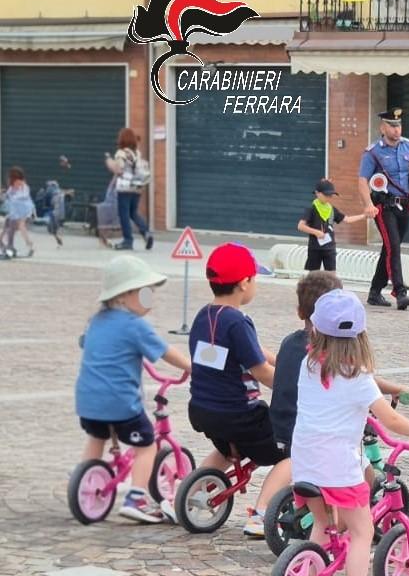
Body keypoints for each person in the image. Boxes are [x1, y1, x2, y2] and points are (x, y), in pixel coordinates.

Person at [291, 288, 409, 576]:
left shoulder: (308, 364)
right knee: (361, 531)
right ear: (360, 337)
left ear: (314, 330)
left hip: (304, 460)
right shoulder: (357, 377)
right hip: (336, 464)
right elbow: (389, 419)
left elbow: (331, 406)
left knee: (323, 522)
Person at [269, 270, 409, 489]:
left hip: (280, 427)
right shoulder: (332, 357)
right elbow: (361, 382)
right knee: (360, 474)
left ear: (300, 312)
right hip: (314, 440)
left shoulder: (293, 345)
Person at [184, 242, 289, 537]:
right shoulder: (238, 322)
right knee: (292, 451)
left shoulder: (205, 316)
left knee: (225, 448)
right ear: (244, 283)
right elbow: (260, 370)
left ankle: (190, 492)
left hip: (204, 410)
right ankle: (261, 514)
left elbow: (248, 352)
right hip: (240, 414)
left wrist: (282, 361)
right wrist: (290, 387)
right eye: (254, 278)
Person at [75, 256, 192, 522]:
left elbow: (86, 343)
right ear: (126, 294)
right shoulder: (135, 325)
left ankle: (85, 478)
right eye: (145, 292)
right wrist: (192, 366)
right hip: (120, 403)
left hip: (88, 401)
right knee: (147, 446)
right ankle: (136, 498)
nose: (150, 297)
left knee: (97, 437)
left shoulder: (97, 320)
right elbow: (165, 352)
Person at [358, 108, 409, 311]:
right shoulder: (373, 152)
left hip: (404, 204)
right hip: (384, 206)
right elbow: (362, 181)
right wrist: (368, 204)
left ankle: (375, 292)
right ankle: (400, 292)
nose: (397, 129)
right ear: (382, 128)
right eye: (392, 126)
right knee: (393, 245)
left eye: (399, 125)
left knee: (389, 248)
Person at [297, 179, 374, 272]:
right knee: (314, 275)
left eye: (330, 195)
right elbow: (301, 226)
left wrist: (364, 216)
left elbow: (347, 219)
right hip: (315, 247)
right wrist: (316, 232)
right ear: (317, 193)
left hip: (329, 247)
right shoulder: (311, 208)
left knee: (331, 274)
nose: (328, 197)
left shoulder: (332, 209)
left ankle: (331, 287)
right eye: (326, 195)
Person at [105, 128, 154, 251]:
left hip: (124, 188)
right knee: (133, 212)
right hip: (137, 187)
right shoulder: (136, 153)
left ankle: (128, 240)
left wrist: (109, 161)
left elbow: (119, 169)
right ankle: (146, 232)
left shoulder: (120, 153)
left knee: (124, 214)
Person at [2, 167, 36, 259]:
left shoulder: (23, 186)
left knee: (20, 226)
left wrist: (12, 197)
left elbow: (23, 197)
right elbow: (8, 196)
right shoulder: (12, 187)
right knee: (7, 226)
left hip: (24, 210)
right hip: (15, 211)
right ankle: (5, 245)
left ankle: (30, 246)